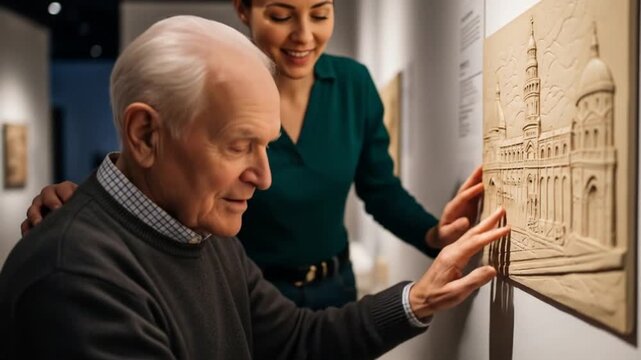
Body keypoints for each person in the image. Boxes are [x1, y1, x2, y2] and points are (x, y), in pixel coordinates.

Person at [0, 16, 508, 359]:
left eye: (267, 146)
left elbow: (292, 338)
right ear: (145, 135)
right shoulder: (73, 280)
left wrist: (417, 299)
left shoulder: (200, 227)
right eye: (239, 145)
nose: (264, 178)